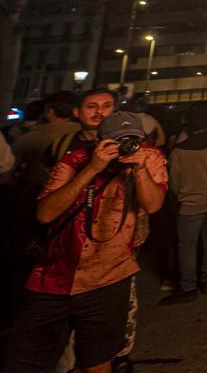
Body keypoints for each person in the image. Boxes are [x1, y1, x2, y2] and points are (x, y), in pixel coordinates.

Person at [6, 108, 168, 373]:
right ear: (99, 142)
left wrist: (139, 170)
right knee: (27, 361)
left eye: (132, 139)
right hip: (53, 279)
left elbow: (153, 205)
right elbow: (45, 214)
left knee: (97, 361)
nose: (125, 147)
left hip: (109, 278)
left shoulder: (148, 159)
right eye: (118, 141)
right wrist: (93, 169)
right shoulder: (74, 160)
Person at [162, 103, 207, 305]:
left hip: (189, 204)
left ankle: (188, 286)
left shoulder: (179, 151)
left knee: (187, 246)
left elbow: (173, 182)